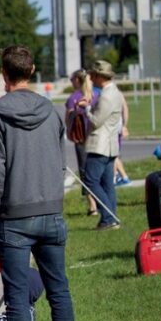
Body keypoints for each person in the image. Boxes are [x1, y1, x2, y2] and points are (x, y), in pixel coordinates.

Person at [0, 44, 74, 321]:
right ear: (32, 69)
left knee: (17, 295)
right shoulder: (51, 110)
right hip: (50, 209)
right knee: (59, 290)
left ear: (4, 74)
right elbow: (60, 159)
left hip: (13, 215)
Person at [79, 60, 124, 230]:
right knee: (107, 184)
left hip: (100, 145)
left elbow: (96, 121)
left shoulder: (106, 95)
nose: (90, 77)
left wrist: (86, 108)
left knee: (90, 181)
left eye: (92, 75)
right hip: (111, 145)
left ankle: (108, 217)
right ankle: (111, 218)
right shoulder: (115, 92)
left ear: (100, 76)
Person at [65, 69, 98, 217]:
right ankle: (102, 202)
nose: (71, 82)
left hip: (81, 139)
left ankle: (92, 206)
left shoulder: (73, 99)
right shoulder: (96, 95)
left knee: (84, 171)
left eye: (72, 79)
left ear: (77, 80)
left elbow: (68, 121)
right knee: (97, 170)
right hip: (97, 137)